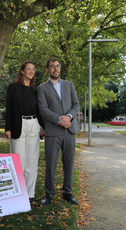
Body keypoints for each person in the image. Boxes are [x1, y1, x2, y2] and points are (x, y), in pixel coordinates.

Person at [37, 58, 80, 206]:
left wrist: (68, 117)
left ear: (60, 68)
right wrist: (58, 119)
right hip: (53, 130)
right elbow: (43, 109)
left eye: (57, 66)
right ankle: (49, 194)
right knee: (50, 164)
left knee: (68, 163)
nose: (55, 69)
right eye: (52, 67)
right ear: (47, 70)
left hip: (69, 129)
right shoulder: (41, 88)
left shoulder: (69, 85)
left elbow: (76, 105)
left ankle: (67, 193)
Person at [5, 61, 44, 199]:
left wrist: (42, 126)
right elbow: (9, 108)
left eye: (33, 69)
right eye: (28, 69)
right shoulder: (13, 88)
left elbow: (39, 110)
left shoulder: (36, 90)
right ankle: (16, 194)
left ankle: (29, 195)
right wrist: (8, 128)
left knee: (31, 162)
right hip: (18, 124)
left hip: (34, 124)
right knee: (18, 161)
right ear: (22, 71)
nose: (31, 71)